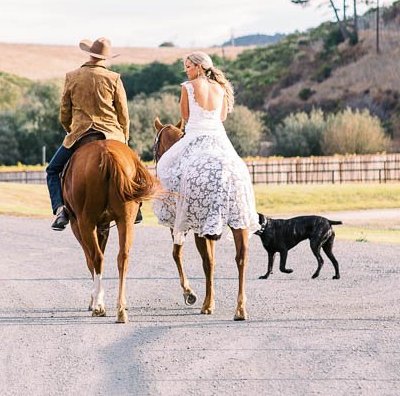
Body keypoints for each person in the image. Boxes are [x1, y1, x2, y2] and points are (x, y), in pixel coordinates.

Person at [153, 51, 259, 242]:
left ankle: (177, 215)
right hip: (219, 138)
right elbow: (223, 117)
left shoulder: (188, 87)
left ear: (199, 66)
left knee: (165, 166)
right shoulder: (221, 87)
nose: (186, 71)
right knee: (239, 169)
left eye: (188, 67)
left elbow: (185, 116)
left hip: (196, 136)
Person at [47, 37, 132, 231]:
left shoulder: (72, 76)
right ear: (105, 58)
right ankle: (137, 206)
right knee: (135, 169)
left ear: (90, 54)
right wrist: (124, 138)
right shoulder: (114, 78)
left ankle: (60, 210)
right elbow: (123, 114)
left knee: (52, 170)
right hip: (112, 134)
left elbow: (64, 113)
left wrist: (71, 131)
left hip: (80, 133)